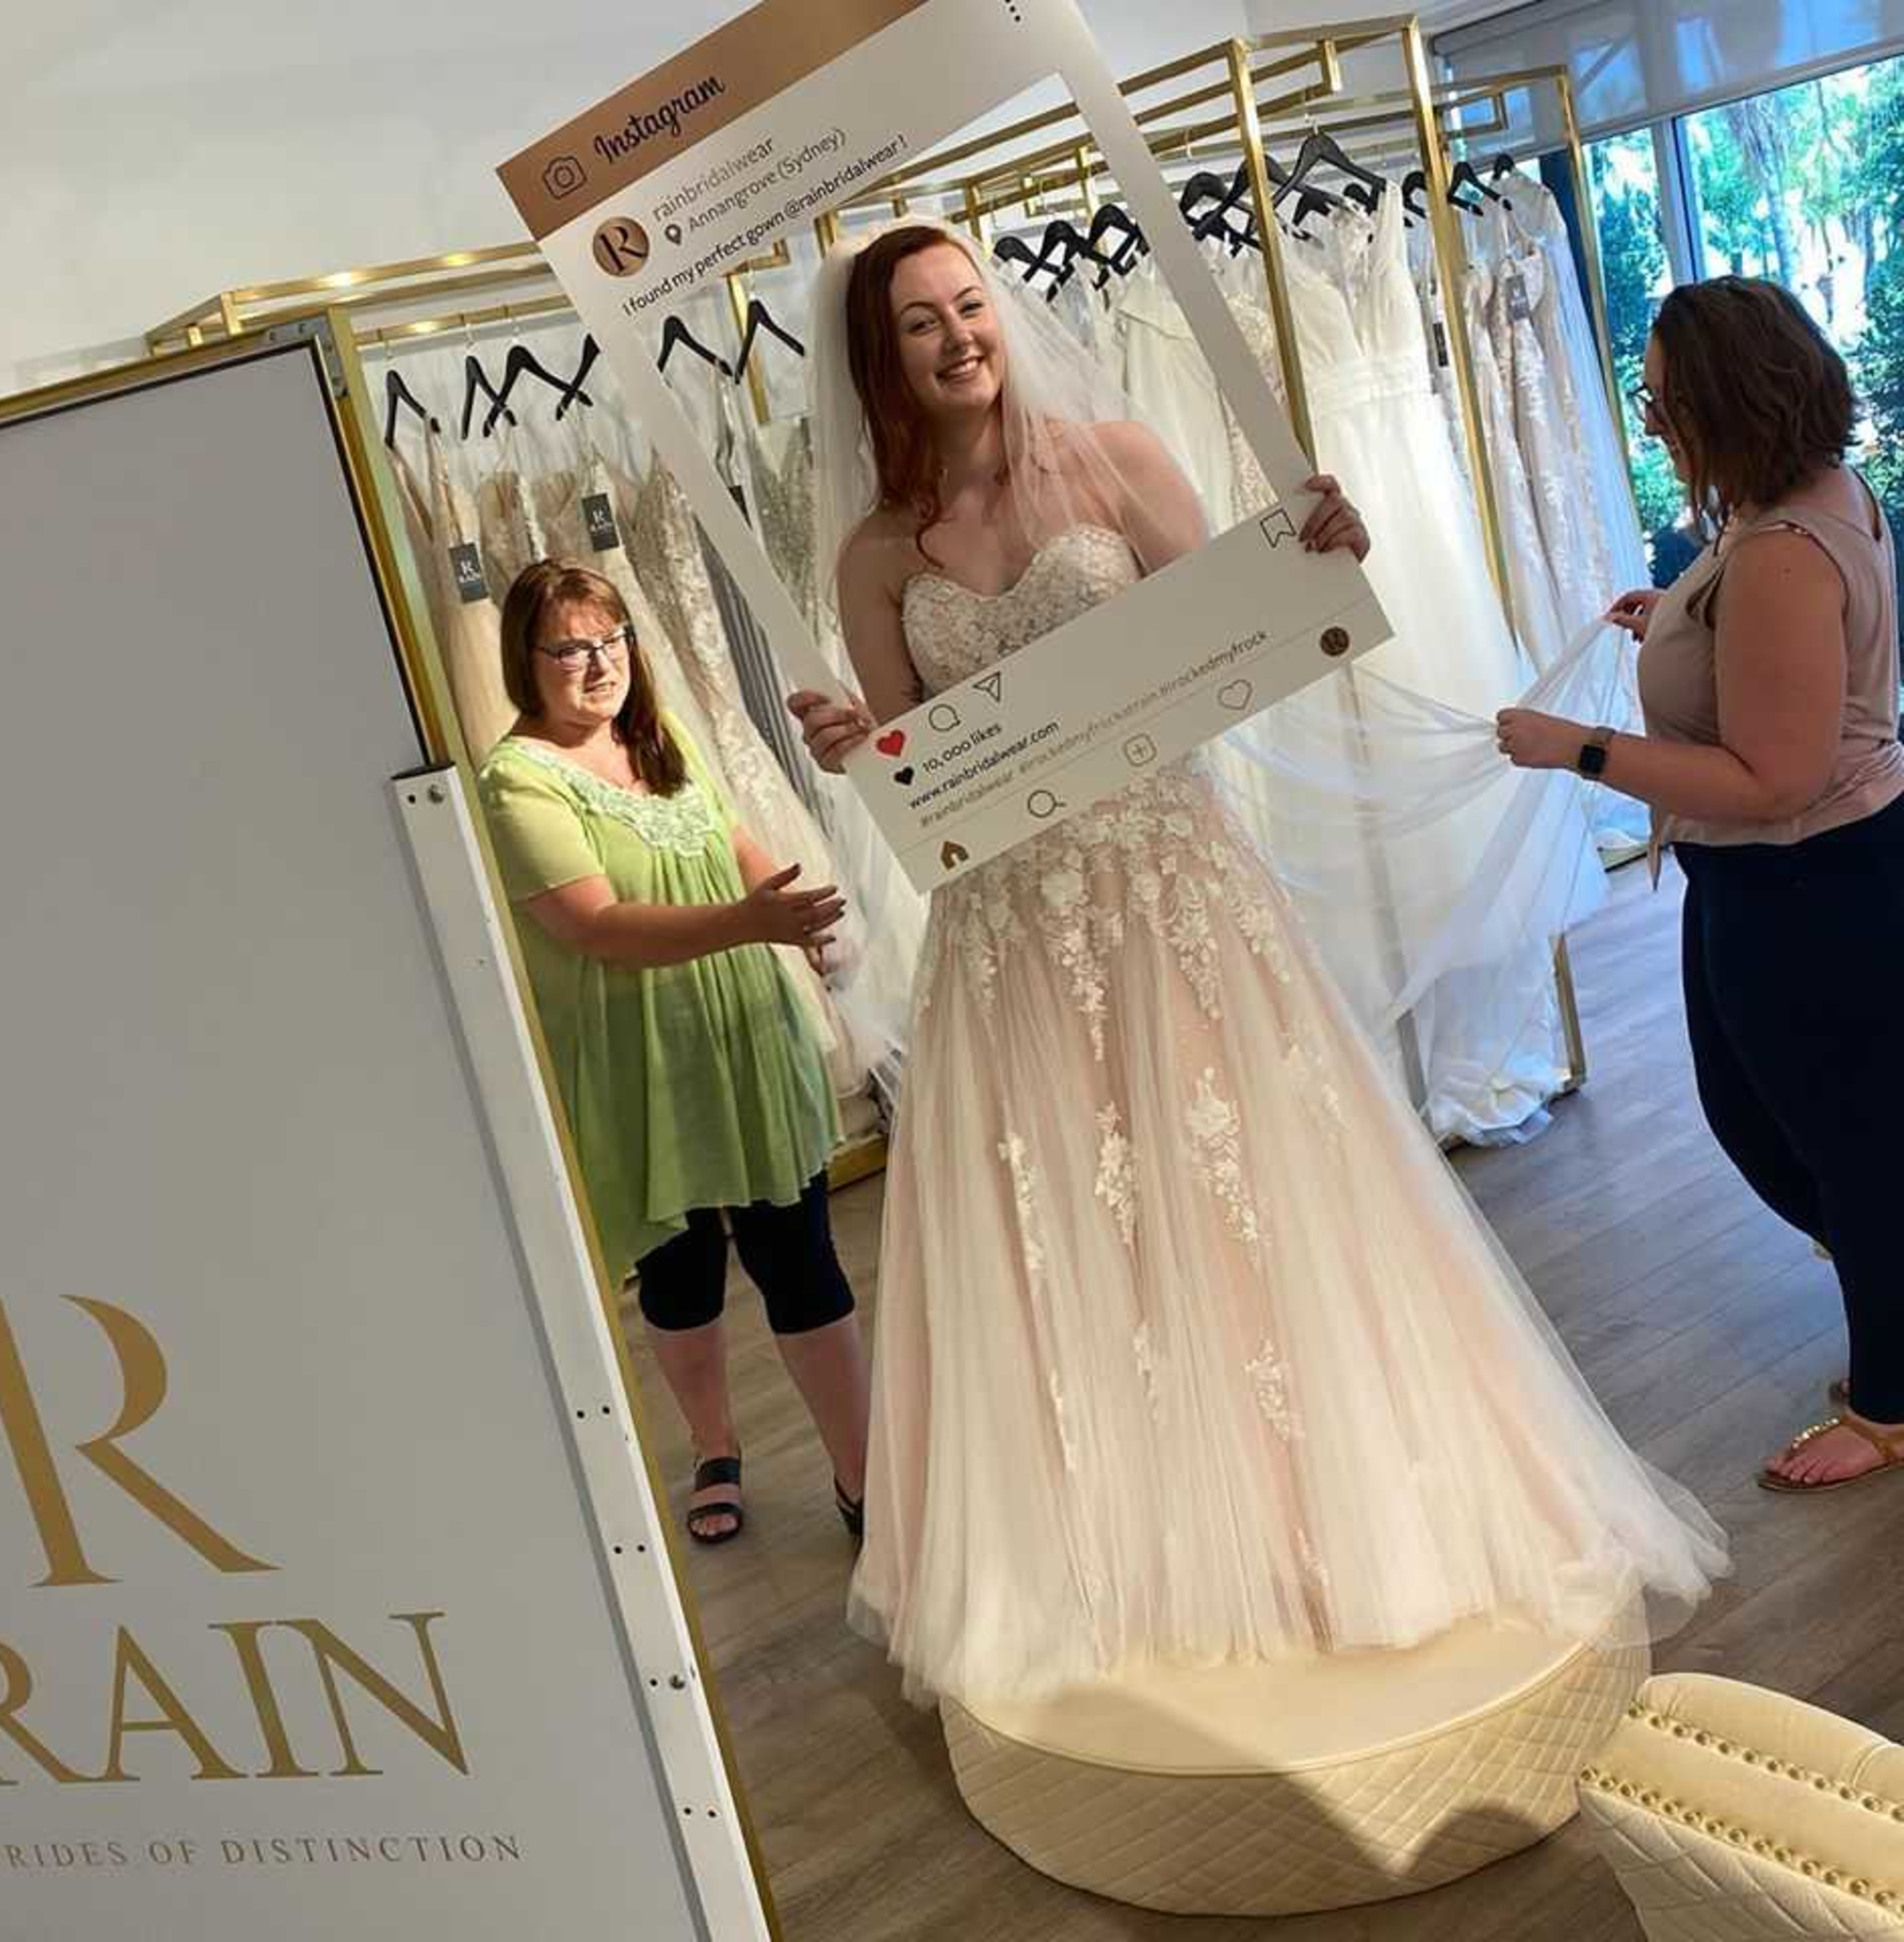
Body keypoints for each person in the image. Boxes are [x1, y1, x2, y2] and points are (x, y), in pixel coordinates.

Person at [787, 218, 1725, 1705]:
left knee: (1239, 1190)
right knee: (1075, 1220)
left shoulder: (1110, 459)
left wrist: (1322, 553)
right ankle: (1126, 1540)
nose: (959, 336)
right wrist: (858, 747)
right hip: (1015, 931)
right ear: (877, 355)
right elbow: (917, 782)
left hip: (1172, 883)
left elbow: (1266, 618)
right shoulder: (875, 555)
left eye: (970, 305)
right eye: (919, 322)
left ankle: (1313, 1512)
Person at [1498, 276, 1904, 1495]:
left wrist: (1573, 747)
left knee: (1837, 1144)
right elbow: (1775, 680)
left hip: (1806, 884)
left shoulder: (1779, 548)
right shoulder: (1798, 505)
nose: (1657, 419)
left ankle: (1891, 1403)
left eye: (1669, 400)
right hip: (1795, 881)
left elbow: (1771, 774)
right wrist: (1673, 622)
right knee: (1781, 1123)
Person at [479, 559, 870, 1546]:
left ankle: (863, 1475)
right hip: (644, 1063)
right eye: (567, 647)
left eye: (608, 641)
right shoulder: (515, 782)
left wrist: (798, 917)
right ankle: (713, 1445)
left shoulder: (654, 736)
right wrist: (750, 920)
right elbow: (597, 928)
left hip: (744, 1030)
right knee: (681, 1271)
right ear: (524, 660)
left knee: (801, 1254)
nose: (595, 663)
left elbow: (733, 837)